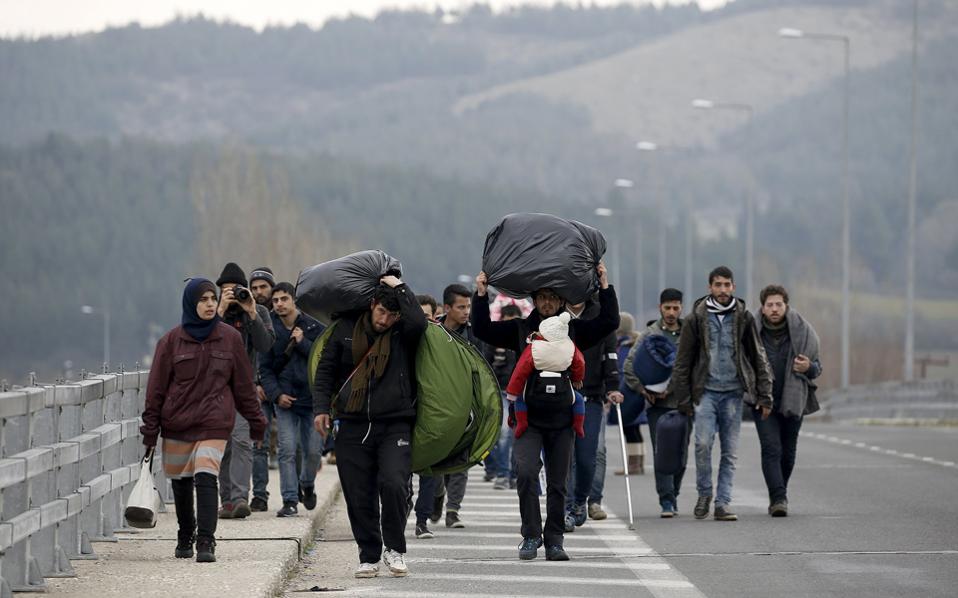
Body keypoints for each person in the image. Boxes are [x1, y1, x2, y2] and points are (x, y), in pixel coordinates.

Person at [471, 263, 619, 561]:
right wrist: (481, 294)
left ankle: (554, 540)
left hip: (563, 420)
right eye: (542, 297)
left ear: (562, 301)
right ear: (534, 300)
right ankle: (530, 535)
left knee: (557, 482)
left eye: (553, 297)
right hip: (528, 419)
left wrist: (605, 285)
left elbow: (609, 321)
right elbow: (482, 329)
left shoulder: (573, 330)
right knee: (525, 473)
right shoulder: (521, 329)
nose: (547, 302)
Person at [141, 278, 267, 563]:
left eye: (213, 298)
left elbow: (244, 386)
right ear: (190, 304)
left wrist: (256, 422)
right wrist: (150, 430)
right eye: (204, 299)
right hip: (177, 422)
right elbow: (156, 389)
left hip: (214, 421)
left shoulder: (230, 339)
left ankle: (206, 541)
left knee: (206, 476)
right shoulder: (171, 341)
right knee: (181, 482)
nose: (210, 304)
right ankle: (185, 533)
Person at [312, 276, 427, 578]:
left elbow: (419, 322)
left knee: (394, 484)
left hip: (395, 423)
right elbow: (325, 372)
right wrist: (321, 409)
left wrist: (400, 286)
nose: (385, 320)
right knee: (358, 493)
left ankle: (395, 549)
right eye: (381, 313)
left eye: (392, 315)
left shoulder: (404, 333)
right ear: (371, 305)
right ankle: (369, 555)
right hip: (351, 424)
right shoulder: (345, 330)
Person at [670, 267, 773, 521]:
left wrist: (765, 394)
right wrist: (683, 399)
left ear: (734, 287)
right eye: (718, 285)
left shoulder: (744, 318)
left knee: (730, 451)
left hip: (733, 393)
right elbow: (683, 362)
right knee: (703, 444)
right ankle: (704, 492)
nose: (723, 290)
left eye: (727, 285)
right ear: (710, 288)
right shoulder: (696, 318)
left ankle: (723, 502)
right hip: (705, 392)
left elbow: (758, 356)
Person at [754, 285, 821, 517]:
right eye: (769, 305)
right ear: (762, 308)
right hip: (763, 401)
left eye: (778, 304)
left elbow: (817, 368)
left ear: (786, 306)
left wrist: (808, 367)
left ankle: (779, 491)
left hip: (794, 400)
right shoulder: (751, 332)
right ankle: (778, 498)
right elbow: (741, 363)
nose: (774, 309)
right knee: (771, 448)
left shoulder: (804, 332)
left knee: (788, 451)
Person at [259, 282, 326, 518]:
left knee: (313, 452)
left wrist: (302, 343)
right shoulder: (270, 332)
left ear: (294, 300)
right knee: (286, 450)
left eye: (284, 299)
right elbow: (264, 369)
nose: (279, 304)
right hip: (285, 401)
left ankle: (307, 484)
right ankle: (289, 500)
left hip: (313, 401)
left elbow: (323, 361)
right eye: (275, 300)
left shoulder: (314, 327)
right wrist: (277, 395)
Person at [215, 262, 275, 519]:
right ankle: (227, 500)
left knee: (241, 441)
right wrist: (219, 311)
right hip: (216, 388)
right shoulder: (213, 312)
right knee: (223, 445)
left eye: (236, 290)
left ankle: (240, 498)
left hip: (244, 386)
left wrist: (250, 312)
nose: (232, 295)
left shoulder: (258, 311)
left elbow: (265, 345)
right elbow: (203, 341)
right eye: (226, 291)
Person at [624, 289, 688, 517]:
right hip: (657, 406)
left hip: (683, 404)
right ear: (660, 307)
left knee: (681, 454)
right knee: (662, 452)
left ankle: (675, 493)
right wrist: (643, 390)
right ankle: (666, 500)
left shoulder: (689, 334)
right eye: (667, 307)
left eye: (676, 307)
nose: (671, 312)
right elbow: (629, 367)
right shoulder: (649, 335)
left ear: (681, 308)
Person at [562, 299, 621, 532]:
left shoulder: (599, 314)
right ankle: (568, 507)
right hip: (562, 396)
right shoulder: (556, 315)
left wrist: (613, 386)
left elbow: (610, 354)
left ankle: (584, 499)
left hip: (592, 396)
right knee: (565, 456)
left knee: (590, 454)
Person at [431, 284, 483, 529]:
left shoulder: (474, 334)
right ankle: (438, 493)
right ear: (447, 308)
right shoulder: (432, 330)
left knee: (461, 459)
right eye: (461, 307)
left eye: (468, 306)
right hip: (436, 405)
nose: (466, 312)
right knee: (439, 456)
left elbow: (483, 370)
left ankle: (453, 510)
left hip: (465, 406)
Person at [588, 310, 640, 520]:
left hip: (602, 395)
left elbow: (612, 363)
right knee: (573, 454)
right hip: (574, 394)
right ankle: (574, 502)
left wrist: (612, 388)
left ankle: (594, 501)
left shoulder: (608, 330)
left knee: (600, 449)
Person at [505, 312, 587, 438]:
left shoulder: (534, 348)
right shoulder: (570, 346)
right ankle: (578, 425)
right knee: (579, 400)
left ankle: (522, 423)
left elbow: (520, 371)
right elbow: (580, 362)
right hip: (562, 389)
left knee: (520, 400)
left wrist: (512, 392)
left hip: (536, 388)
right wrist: (577, 378)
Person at [485, 304, 522, 491]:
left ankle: (514, 474)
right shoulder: (495, 341)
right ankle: (502, 473)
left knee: (517, 435)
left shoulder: (526, 340)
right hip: (500, 390)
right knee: (503, 434)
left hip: (520, 393)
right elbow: (486, 363)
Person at [249, 266, 276, 512]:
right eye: (254, 288)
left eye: (263, 287)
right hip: (258, 389)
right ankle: (260, 495)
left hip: (285, 389)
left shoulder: (284, 312)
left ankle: (300, 487)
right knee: (260, 444)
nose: (258, 292)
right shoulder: (250, 315)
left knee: (295, 446)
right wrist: (257, 383)